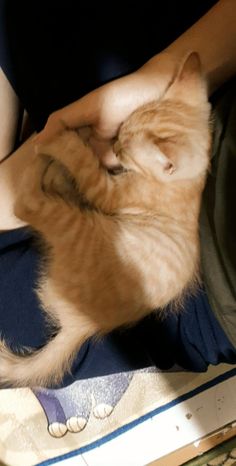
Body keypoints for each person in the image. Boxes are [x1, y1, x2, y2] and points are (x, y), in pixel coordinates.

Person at [0, 0, 235, 387]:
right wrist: (155, 76)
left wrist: (64, 156)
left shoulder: (165, 175)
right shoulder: (171, 157)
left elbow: (103, 193)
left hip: (205, 292)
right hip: (202, 121)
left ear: (167, 166)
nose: (119, 148)